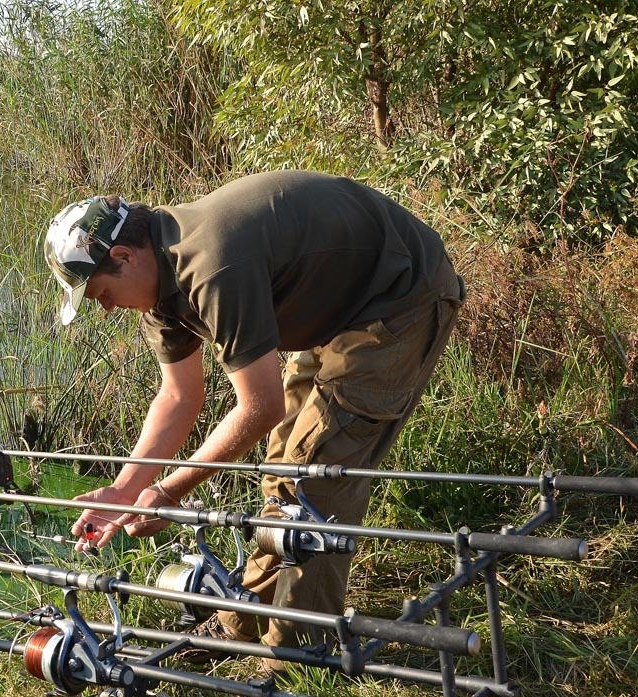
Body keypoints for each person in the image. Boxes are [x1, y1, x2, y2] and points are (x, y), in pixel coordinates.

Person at [44, 170, 464, 654]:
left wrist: (168, 491)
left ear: (123, 257)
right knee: (281, 470)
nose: (107, 309)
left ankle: (298, 652)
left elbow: (260, 406)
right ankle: (244, 621)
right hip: (339, 310)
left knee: (311, 478)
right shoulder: (156, 286)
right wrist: (126, 488)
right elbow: (179, 396)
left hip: (401, 297)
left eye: (99, 294)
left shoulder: (212, 265)